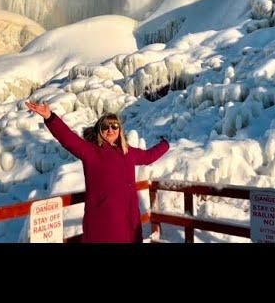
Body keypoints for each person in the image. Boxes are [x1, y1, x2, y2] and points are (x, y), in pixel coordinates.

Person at [25, 101, 169, 243]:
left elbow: (149, 156)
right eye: (105, 127)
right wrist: (50, 118)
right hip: (103, 225)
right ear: (99, 130)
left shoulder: (128, 152)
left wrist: (165, 144)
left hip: (130, 223)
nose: (110, 130)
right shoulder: (91, 152)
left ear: (120, 130)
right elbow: (68, 138)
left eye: (114, 126)